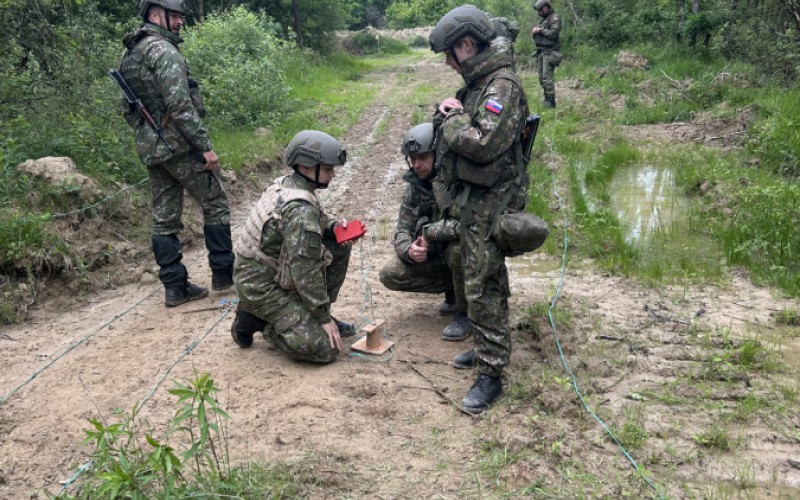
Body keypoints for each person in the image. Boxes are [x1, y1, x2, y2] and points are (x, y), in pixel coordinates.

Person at [428, 5, 530, 412]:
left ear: (467, 45)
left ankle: (491, 374)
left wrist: (453, 121)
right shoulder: (481, 83)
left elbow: (483, 144)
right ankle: (489, 345)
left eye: (449, 55)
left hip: (491, 203)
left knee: (483, 284)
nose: (449, 64)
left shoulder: (501, 86)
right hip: (476, 200)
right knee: (482, 277)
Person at [118, 0, 234, 307]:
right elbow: (181, 106)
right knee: (215, 203)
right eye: (176, 15)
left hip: (152, 149)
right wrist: (204, 146)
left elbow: (127, 109)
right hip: (180, 146)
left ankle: (175, 288)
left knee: (164, 219)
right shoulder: (164, 51)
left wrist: (149, 134)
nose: (181, 20)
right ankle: (224, 277)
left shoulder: (130, 53)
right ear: (156, 15)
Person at [230, 130, 357, 364]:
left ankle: (310, 316)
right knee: (325, 349)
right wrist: (323, 319)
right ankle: (256, 319)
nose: (332, 174)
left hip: (268, 271)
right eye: (327, 169)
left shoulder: (290, 185)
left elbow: (315, 221)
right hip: (259, 286)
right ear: (306, 166)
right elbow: (306, 272)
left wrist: (334, 228)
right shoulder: (299, 209)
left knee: (338, 245)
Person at [378, 123, 467, 326]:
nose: (416, 165)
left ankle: (465, 312)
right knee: (390, 274)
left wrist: (429, 234)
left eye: (423, 157)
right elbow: (403, 229)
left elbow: (466, 225)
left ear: (438, 155)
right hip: (439, 259)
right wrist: (409, 251)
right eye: (412, 159)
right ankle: (453, 289)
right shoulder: (414, 188)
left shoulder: (458, 182)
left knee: (457, 250)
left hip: (466, 256)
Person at [531, 0, 562, 108]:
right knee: (541, 78)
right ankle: (546, 97)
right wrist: (535, 32)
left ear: (545, 8)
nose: (538, 12)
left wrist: (540, 30)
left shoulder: (555, 18)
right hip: (541, 51)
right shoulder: (543, 20)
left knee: (547, 78)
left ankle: (550, 101)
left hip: (550, 52)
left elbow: (553, 34)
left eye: (540, 10)